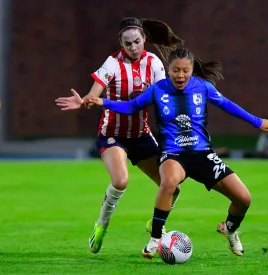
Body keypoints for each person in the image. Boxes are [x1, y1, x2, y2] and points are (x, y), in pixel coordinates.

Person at [85, 47, 268, 258]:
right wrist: (103, 101)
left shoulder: (203, 87)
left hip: (203, 154)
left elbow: (228, 106)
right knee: (169, 183)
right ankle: (155, 238)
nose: (180, 75)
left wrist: (258, 122)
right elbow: (131, 107)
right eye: (176, 70)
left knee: (244, 199)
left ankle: (229, 229)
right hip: (174, 154)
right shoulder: (158, 89)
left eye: (185, 70)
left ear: (192, 69)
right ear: (169, 69)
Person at [55, 17, 185, 254]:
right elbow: (95, 94)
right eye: (128, 44)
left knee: (173, 186)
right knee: (120, 181)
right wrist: (83, 101)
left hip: (141, 135)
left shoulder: (154, 62)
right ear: (121, 45)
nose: (133, 48)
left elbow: (162, 99)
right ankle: (101, 226)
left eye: (137, 42)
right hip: (112, 134)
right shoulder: (112, 63)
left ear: (144, 38)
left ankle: (155, 223)